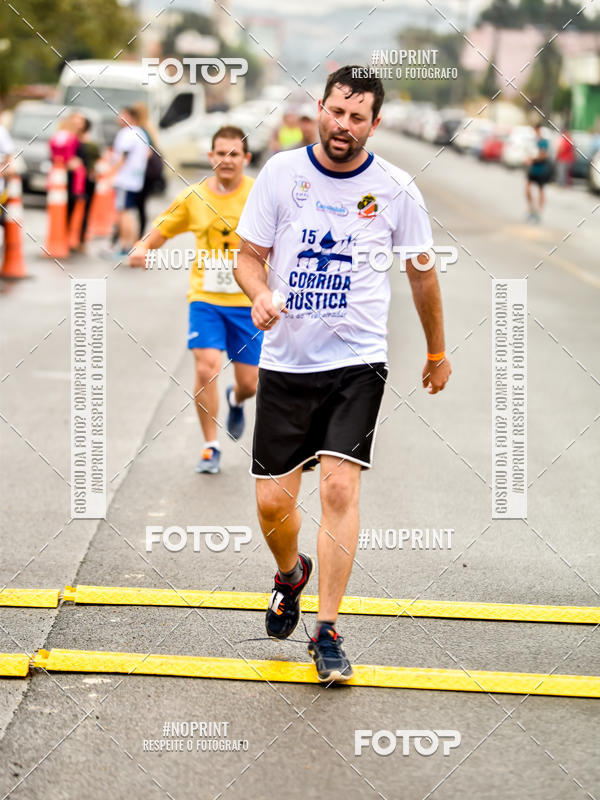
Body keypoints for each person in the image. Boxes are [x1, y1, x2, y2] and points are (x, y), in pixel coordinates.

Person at [235, 65, 451, 683]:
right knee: (273, 501)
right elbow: (249, 256)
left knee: (337, 490)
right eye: (336, 112)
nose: (343, 126)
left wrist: (436, 352)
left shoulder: (395, 188)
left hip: (358, 360)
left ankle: (326, 630)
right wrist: (257, 294)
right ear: (321, 110)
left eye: (357, 118)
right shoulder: (281, 173)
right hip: (286, 360)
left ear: (374, 124)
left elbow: (421, 271)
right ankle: (289, 574)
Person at [129, 126, 262, 474]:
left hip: (248, 302)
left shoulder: (259, 194)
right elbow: (162, 230)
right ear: (211, 157)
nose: (227, 160)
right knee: (206, 368)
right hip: (206, 299)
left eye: (234, 154)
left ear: (246, 159)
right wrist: (143, 247)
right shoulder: (195, 197)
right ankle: (210, 446)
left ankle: (236, 400)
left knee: (250, 383)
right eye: (220, 153)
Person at [110, 107, 150, 256]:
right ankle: (130, 246)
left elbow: (123, 157)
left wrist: (110, 173)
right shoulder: (141, 133)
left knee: (124, 213)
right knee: (129, 213)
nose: (119, 116)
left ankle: (126, 247)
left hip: (124, 179)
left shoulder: (128, 133)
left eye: (122, 114)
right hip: (135, 178)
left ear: (130, 116)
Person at [132, 102, 164, 236]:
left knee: (135, 205)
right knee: (141, 205)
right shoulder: (149, 128)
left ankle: (138, 235)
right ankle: (139, 234)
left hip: (142, 173)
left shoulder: (140, 131)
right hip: (149, 174)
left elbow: (146, 153)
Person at [74, 116, 101, 252]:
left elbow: (95, 161)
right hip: (74, 179)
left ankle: (81, 240)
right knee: (72, 208)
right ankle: (71, 238)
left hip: (87, 179)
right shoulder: (71, 140)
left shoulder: (90, 144)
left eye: (79, 122)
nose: (76, 124)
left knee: (86, 210)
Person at [525, 124, 552, 223]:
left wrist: (532, 159)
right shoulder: (533, 141)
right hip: (532, 169)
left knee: (541, 191)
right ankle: (531, 209)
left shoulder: (544, 142)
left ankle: (539, 212)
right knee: (527, 189)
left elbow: (543, 155)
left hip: (541, 170)